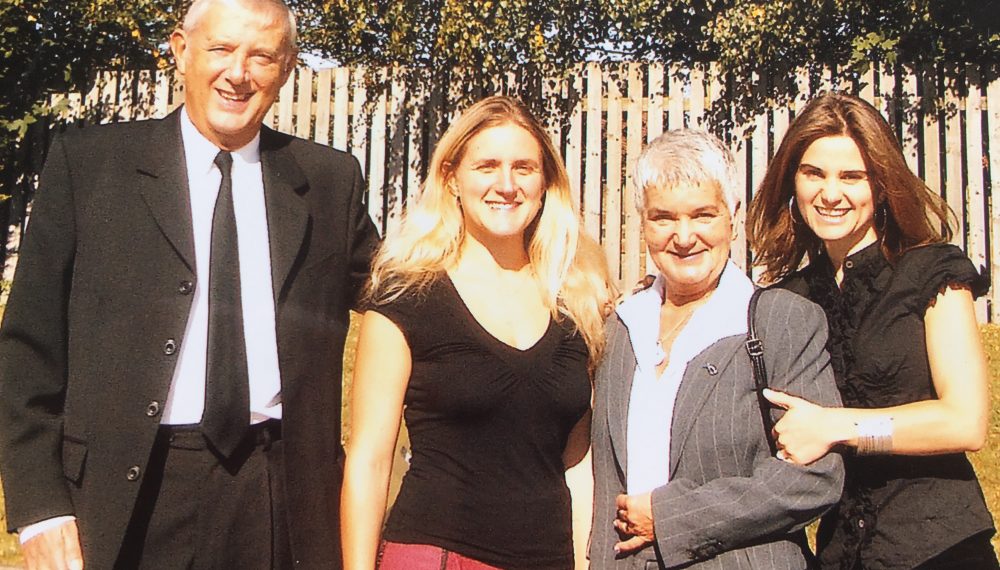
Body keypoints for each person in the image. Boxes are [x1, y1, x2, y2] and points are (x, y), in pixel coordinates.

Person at [0, 0, 379, 568]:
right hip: (130, 493)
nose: (238, 73)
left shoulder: (329, 181)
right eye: (221, 49)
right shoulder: (91, 167)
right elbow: (28, 350)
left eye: (261, 56)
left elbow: (404, 296)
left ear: (287, 67)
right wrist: (41, 507)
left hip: (279, 494)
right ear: (180, 50)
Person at [340, 95, 615, 570]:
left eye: (524, 168)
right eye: (487, 166)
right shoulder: (405, 298)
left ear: (546, 182)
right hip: (438, 556)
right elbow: (369, 461)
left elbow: (577, 466)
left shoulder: (577, 303)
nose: (506, 185)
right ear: (452, 179)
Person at [747, 92, 997, 569]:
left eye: (852, 177)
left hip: (939, 550)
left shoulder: (931, 272)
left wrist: (836, 427)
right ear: (791, 181)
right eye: (813, 173)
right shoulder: (789, 299)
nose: (831, 193)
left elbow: (965, 422)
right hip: (841, 554)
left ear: (881, 185)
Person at [590, 129, 844, 569]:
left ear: (732, 216)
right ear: (642, 221)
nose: (683, 236)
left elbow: (814, 478)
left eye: (702, 215)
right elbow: (603, 483)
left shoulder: (778, 322)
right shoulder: (619, 330)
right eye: (663, 218)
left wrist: (673, 517)